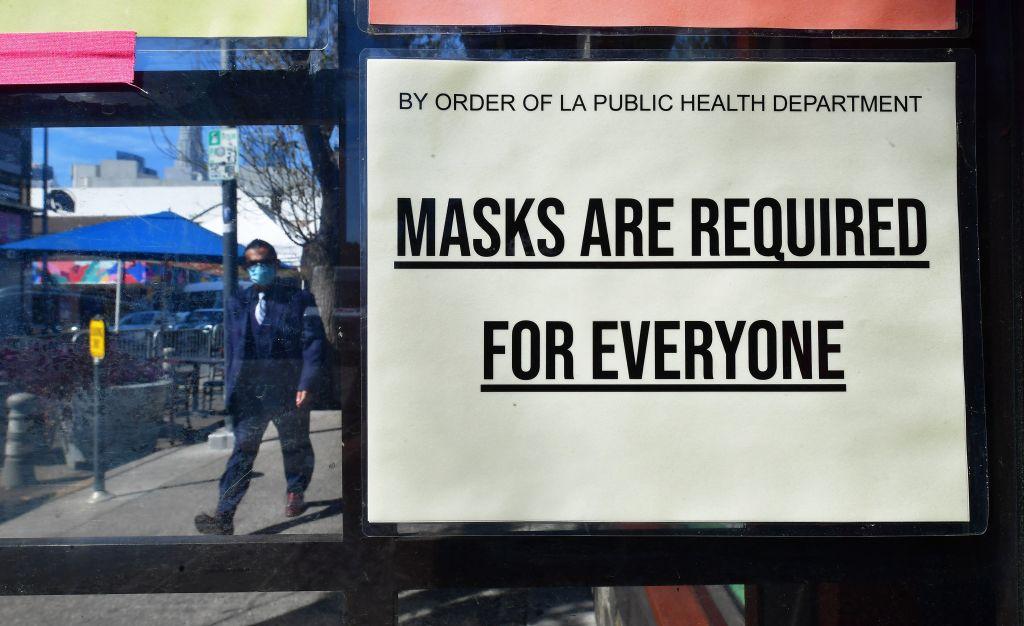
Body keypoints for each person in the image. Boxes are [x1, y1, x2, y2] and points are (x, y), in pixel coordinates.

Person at [195, 239, 325, 535]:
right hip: (251, 394)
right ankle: (224, 516)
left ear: (275, 264)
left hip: (288, 389)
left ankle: (296, 491)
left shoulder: (299, 299)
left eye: (264, 262)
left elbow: (314, 342)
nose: (259, 268)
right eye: (252, 264)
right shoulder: (236, 303)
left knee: (295, 445)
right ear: (245, 269)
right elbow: (231, 351)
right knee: (242, 453)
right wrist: (232, 391)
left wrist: (306, 381)